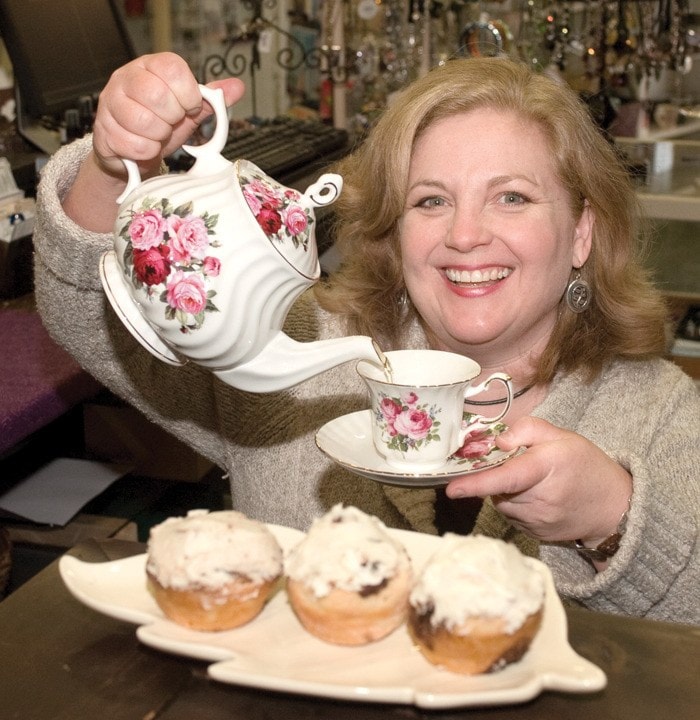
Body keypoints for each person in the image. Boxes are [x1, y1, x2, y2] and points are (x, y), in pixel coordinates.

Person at [33, 52, 699, 624]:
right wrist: (115, 166)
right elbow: (91, 318)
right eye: (430, 201)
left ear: (581, 232)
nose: (465, 236)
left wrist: (612, 519)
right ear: (393, 228)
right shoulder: (300, 355)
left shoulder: (659, 412)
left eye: (513, 198)